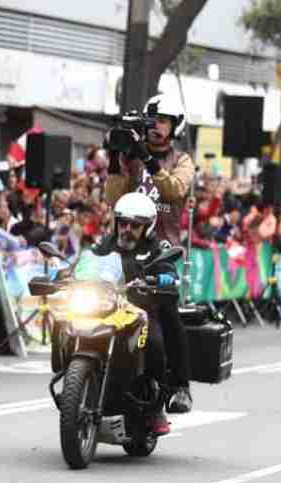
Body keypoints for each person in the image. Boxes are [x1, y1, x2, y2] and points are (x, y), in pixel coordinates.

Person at [104, 93, 195, 414]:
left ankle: (181, 386)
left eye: (163, 121)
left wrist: (148, 158)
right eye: (153, 120)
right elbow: (112, 198)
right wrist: (116, 158)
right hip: (126, 244)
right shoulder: (132, 157)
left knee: (167, 314)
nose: (156, 127)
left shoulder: (182, 160)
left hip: (163, 251)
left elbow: (174, 190)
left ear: (174, 127)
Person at [93, 192, 189, 435]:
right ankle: (77, 380)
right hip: (106, 309)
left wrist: (161, 277)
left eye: (134, 225)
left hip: (141, 311)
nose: (126, 229)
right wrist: (63, 272)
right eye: (123, 223)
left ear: (147, 226)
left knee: (156, 343)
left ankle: (160, 404)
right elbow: (84, 263)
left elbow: (170, 271)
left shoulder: (156, 248)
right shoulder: (105, 244)